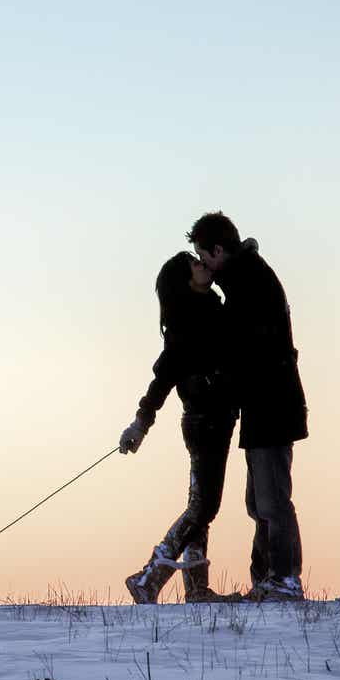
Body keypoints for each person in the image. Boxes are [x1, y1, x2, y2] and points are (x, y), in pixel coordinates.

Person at [187, 212, 308, 602]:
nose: (203, 263)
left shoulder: (249, 281)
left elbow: (247, 349)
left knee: (272, 499)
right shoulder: (245, 278)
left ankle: (284, 578)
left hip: (272, 405)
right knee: (259, 501)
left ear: (218, 250)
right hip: (263, 406)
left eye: (204, 256)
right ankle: (266, 579)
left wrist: (219, 385)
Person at [119, 252, 239, 604]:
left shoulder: (212, 308)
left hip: (217, 418)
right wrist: (141, 423)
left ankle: (197, 589)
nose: (204, 266)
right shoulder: (185, 322)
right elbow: (162, 379)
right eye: (196, 265)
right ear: (184, 281)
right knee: (203, 507)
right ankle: (149, 578)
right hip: (204, 420)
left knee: (202, 506)